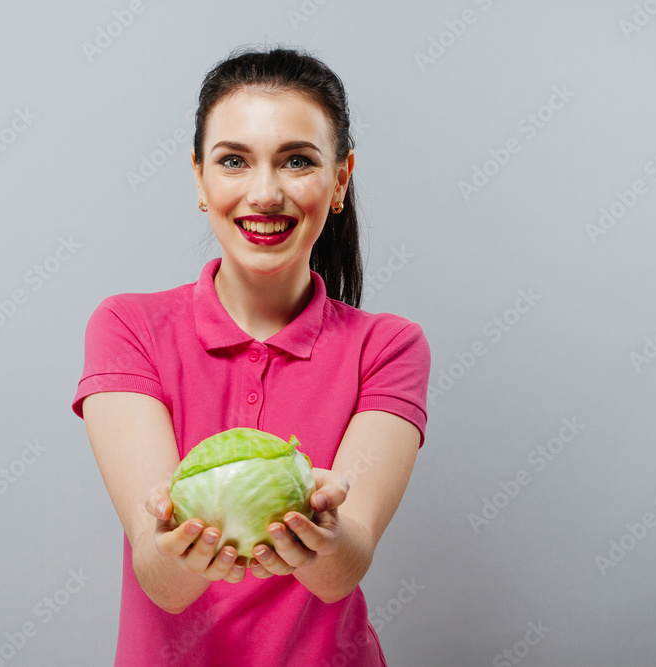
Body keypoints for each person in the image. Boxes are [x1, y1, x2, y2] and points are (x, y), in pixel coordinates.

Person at [72, 45, 430, 666]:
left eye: (297, 161)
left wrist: (326, 533)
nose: (265, 194)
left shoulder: (388, 347)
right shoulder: (128, 328)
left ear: (340, 179)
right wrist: (177, 539)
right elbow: (163, 581)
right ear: (200, 178)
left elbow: (340, 572)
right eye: (234, 161)